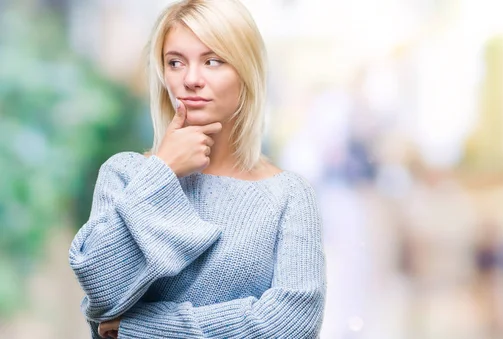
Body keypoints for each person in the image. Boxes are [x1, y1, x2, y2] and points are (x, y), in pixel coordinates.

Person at [68, 0, 327, 338]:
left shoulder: (289, 196)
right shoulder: (125, 175)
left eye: (212, 61)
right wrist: (162, 172)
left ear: (245, 70)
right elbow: (102, 292)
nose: (191, 79)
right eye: (175, 62)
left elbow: (291, 324)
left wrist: (142, 329)